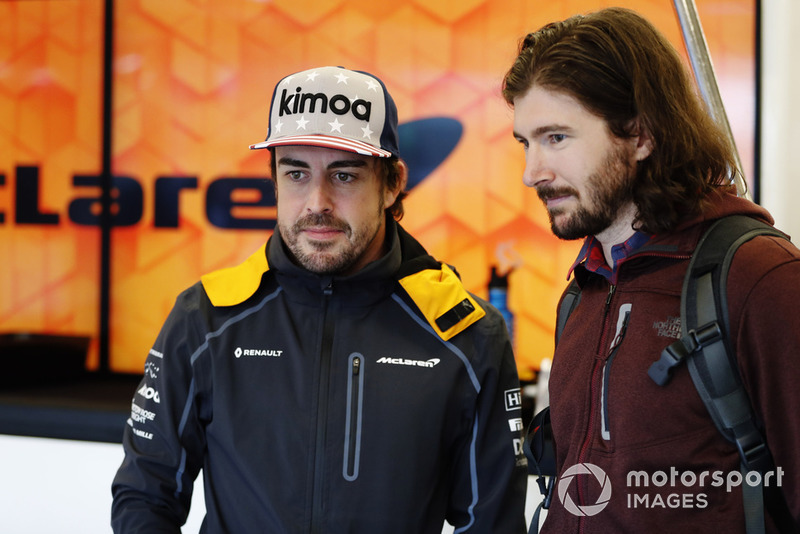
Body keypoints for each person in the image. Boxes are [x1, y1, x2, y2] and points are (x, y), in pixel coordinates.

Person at [111, 65, 528, 533]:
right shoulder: (205, 318)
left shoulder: (466, 334)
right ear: (273, 180)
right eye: (295, 173)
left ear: (392, 184)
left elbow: (493, 525)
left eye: (344, 176)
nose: (317, 202)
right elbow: (144, 496)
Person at [502, 7, 800, 533]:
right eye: (526, 142)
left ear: (640, 135)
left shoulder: (758, 278)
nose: (532, 173)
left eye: (557, 138)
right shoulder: (586, 287)